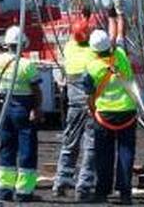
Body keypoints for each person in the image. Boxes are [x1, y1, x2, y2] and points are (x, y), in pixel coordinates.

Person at [0, 25, 43, 202]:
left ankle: (5, 189)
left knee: (7, 148)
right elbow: (36, 90)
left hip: (3, 108)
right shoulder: (27, 65)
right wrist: (36, 109)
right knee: (27, 149)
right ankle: (24, 191)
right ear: (23, 43)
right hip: (23, 108)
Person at [85, 30, 137, 205]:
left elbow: (89, 93)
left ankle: (102, 191)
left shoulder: (93, 67)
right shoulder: (121, 55)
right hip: (127, 112)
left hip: (105, 115)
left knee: (104, 155)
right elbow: (118, 41)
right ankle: (125, 193)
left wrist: (92, 110)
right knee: (126, 153)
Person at [53, 17, 98, 200]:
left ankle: (61, 181)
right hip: (91, 105)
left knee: (69, 143)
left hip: (73, 105)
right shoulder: (93, 53)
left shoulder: (69, 48)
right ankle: (84, 185)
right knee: (91, 146)